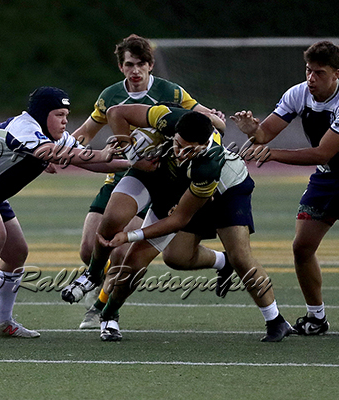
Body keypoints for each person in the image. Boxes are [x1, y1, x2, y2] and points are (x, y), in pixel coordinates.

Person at [64, 103, 293, 342]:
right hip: (170, 181)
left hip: (226, 191)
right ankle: (98, 286)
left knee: (240, 256)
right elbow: (116, 112)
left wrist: (130, 236)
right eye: (178, 145)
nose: (180, 153)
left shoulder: (208, 166)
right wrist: (132, 153)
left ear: (205, 145)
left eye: (189, 150)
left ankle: (275, 320)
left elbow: (178, 219)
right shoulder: (170, 119)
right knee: (169, 256)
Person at [231, 40, 339, 334]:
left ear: (337, 73)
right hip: (327, 175)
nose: (311, 78)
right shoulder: (298, 93)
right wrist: (253, 131)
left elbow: (322, 153)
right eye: (308, 70)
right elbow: (265, 134)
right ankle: (316, 318)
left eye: (319, 73)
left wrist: (272, 154)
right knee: (302, 248)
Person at [0, 86, 127, 338]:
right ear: (42, 114)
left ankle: (2, 322)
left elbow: (91, 161)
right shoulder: (24, 127)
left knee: (16, 252)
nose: (65, 121)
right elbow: (57, 153)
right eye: (59, 114)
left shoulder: (54, 136)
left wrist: (136, 164)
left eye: (66, 115)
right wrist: (101, 153)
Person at [69, 34, 231, 329]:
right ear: (121, 67)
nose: (135, 70)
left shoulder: (170, 94)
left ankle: (102, 308)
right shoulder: (111, 96)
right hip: (125, 171)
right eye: (129, 64)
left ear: (150, 64)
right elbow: (86, 131)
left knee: (125, 253)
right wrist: (62, 151)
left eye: (141, 63)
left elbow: (205, 120)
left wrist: (215, 119)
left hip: (163, 175)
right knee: (90, 248)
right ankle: (93, 278)